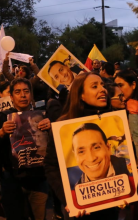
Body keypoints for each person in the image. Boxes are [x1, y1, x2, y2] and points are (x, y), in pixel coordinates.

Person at [45, 72, 123, 219]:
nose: (102, 89)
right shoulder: (63, 126)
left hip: (112, 208)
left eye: (103, 85)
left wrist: (127, 193)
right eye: (95, 86)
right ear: (81, 95)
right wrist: (68, 199)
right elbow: (51, 166)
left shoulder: (116, 121)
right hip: (80, 212)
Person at [0, 78, 51, 220]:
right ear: (11, 96)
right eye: (18, 92)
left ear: (31, 94)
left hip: (39, 179)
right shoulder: (3, 116)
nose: (23, 95)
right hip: (11, 180)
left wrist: (51, 128)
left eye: (26, 91)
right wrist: (1, 132)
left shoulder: (42, 116)